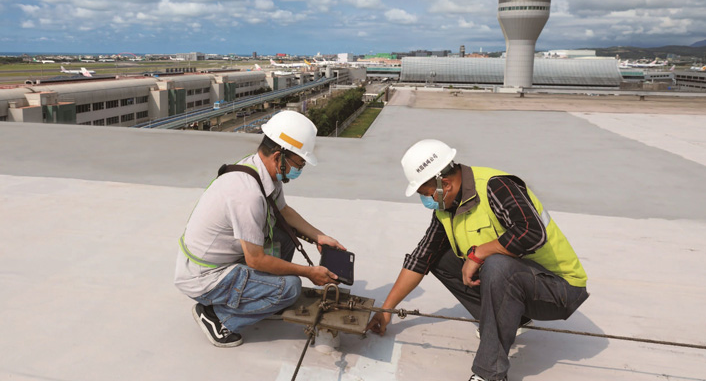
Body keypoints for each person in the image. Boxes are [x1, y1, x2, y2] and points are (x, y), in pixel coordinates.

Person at [366, 139, 588, 381]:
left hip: (560, 289)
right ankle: (514, 319)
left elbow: (531, 232)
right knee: (439, 258)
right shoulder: (446, 209)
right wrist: (386, 310)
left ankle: (490, 374)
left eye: (427, 194)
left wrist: (479, 253)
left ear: (445, 184)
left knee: (497, 263)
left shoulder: (495, 186)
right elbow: (421, 258)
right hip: (523, 286)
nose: (427, 201)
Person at [175, 110, 345, 347]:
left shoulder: (261, 171)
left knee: (284, 237)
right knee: (291, 288)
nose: (300, 170)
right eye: (299, 163)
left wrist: (319, 237)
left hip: (222, 261)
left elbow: (284, 212)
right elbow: (255, 260)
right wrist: (308, 272)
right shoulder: (247, 195)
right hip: (205, 277)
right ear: (279, 156)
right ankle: (217, 318)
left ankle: (261, 297)